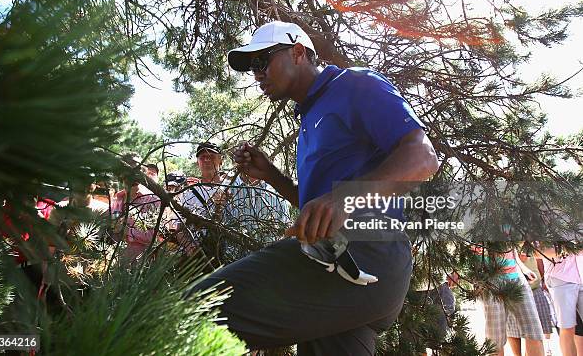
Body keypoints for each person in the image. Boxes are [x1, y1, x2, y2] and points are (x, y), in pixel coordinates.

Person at [191, 21, 439, 355]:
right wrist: (271, 175)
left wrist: (343, 198)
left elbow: (422, 157)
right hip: (340, 266)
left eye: (263, 61)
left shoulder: (354, 84)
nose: (257, 74)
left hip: (365, 251)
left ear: (297, 52)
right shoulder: (309, 119)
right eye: (252, 67)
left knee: (195, 309)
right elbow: (318, 209)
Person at [474, 245, 545, 356]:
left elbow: (511, 248)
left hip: (516, 277)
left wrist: (523, 268)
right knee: (495, 341)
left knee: (534, 333)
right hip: (489, 280)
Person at [506, 252, 554, 356]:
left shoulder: (532, 240)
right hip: (514, 286)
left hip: (535, 287)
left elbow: (538, 259)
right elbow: (521, 257)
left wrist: (543, 278)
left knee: (535, 330)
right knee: (513, 329)